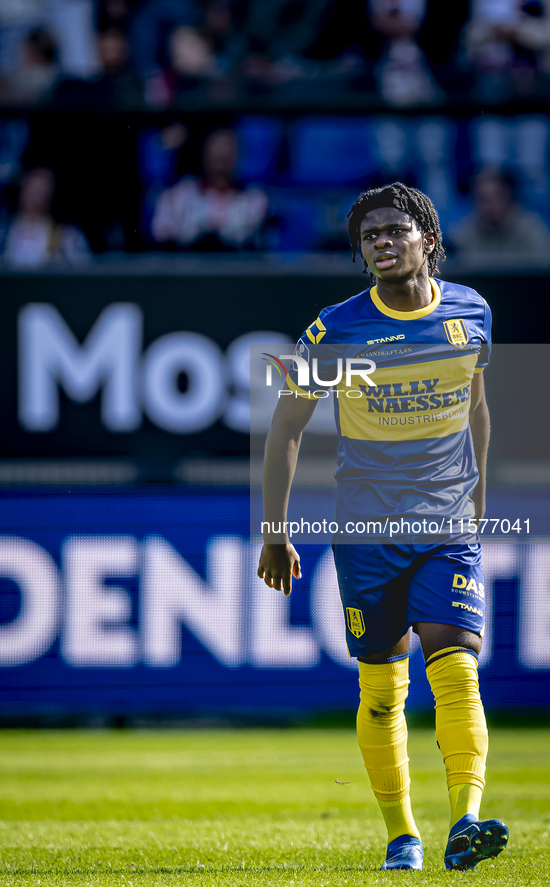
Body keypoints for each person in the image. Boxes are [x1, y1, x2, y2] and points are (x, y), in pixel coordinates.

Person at [257, 182, 509, 871]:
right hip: (367, 531)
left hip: (446, 524)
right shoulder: (335, 327)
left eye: (395, 230)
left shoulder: (471, 311)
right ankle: (402, 833)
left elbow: (476, 405)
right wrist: (274, 529)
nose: (382, 242)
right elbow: (286, 425)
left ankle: (465, 820)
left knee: (457, 668)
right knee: (382, 688)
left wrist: (479, 493)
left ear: (427, 237)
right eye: (369, 236)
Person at [151, 128, 268, 251]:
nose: (223, 155)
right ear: (203, 154)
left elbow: (250, 240)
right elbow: (161, 233)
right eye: (217, 156)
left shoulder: (255, 198)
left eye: (228, 153)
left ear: (238, 156)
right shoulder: (178, 193)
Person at [0, 166, 91, 268]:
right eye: (31, 190)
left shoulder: (68, 235)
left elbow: (82, 271)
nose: (35, 198)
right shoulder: (2, 232)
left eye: (41, 192)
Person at [450, 167, 550, 260]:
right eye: (483, 200)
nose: (488, 207)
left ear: (508, 196)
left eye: (494, 198)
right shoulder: (463, 233)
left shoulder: (531, 231)